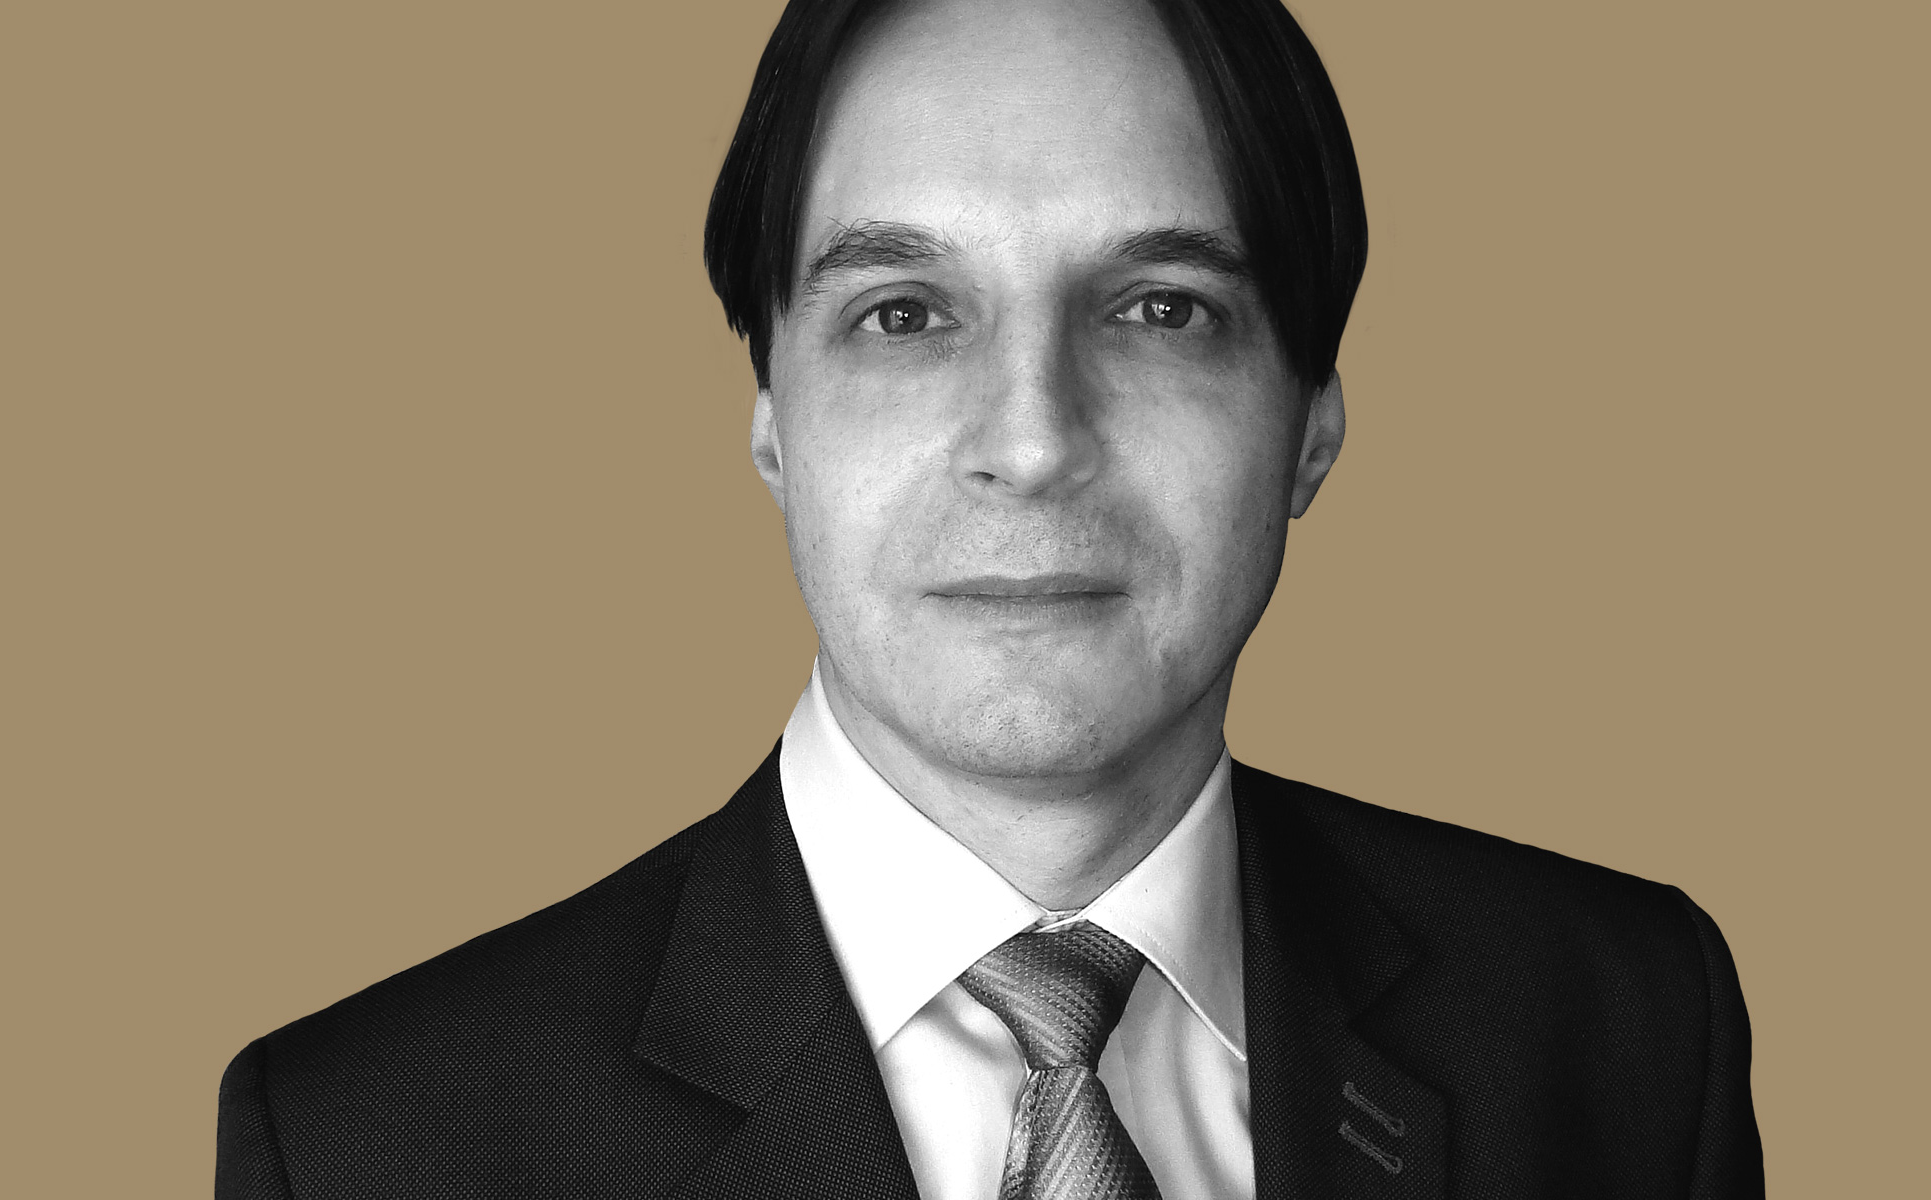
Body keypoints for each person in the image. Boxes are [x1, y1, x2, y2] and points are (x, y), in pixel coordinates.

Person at [217, 0, 1762, 1195]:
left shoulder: (1624, 1026)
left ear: (1310, 427)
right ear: (774, 426)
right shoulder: (363, 1140)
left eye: (1161, 310)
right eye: (904, 315)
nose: (1032, 441)